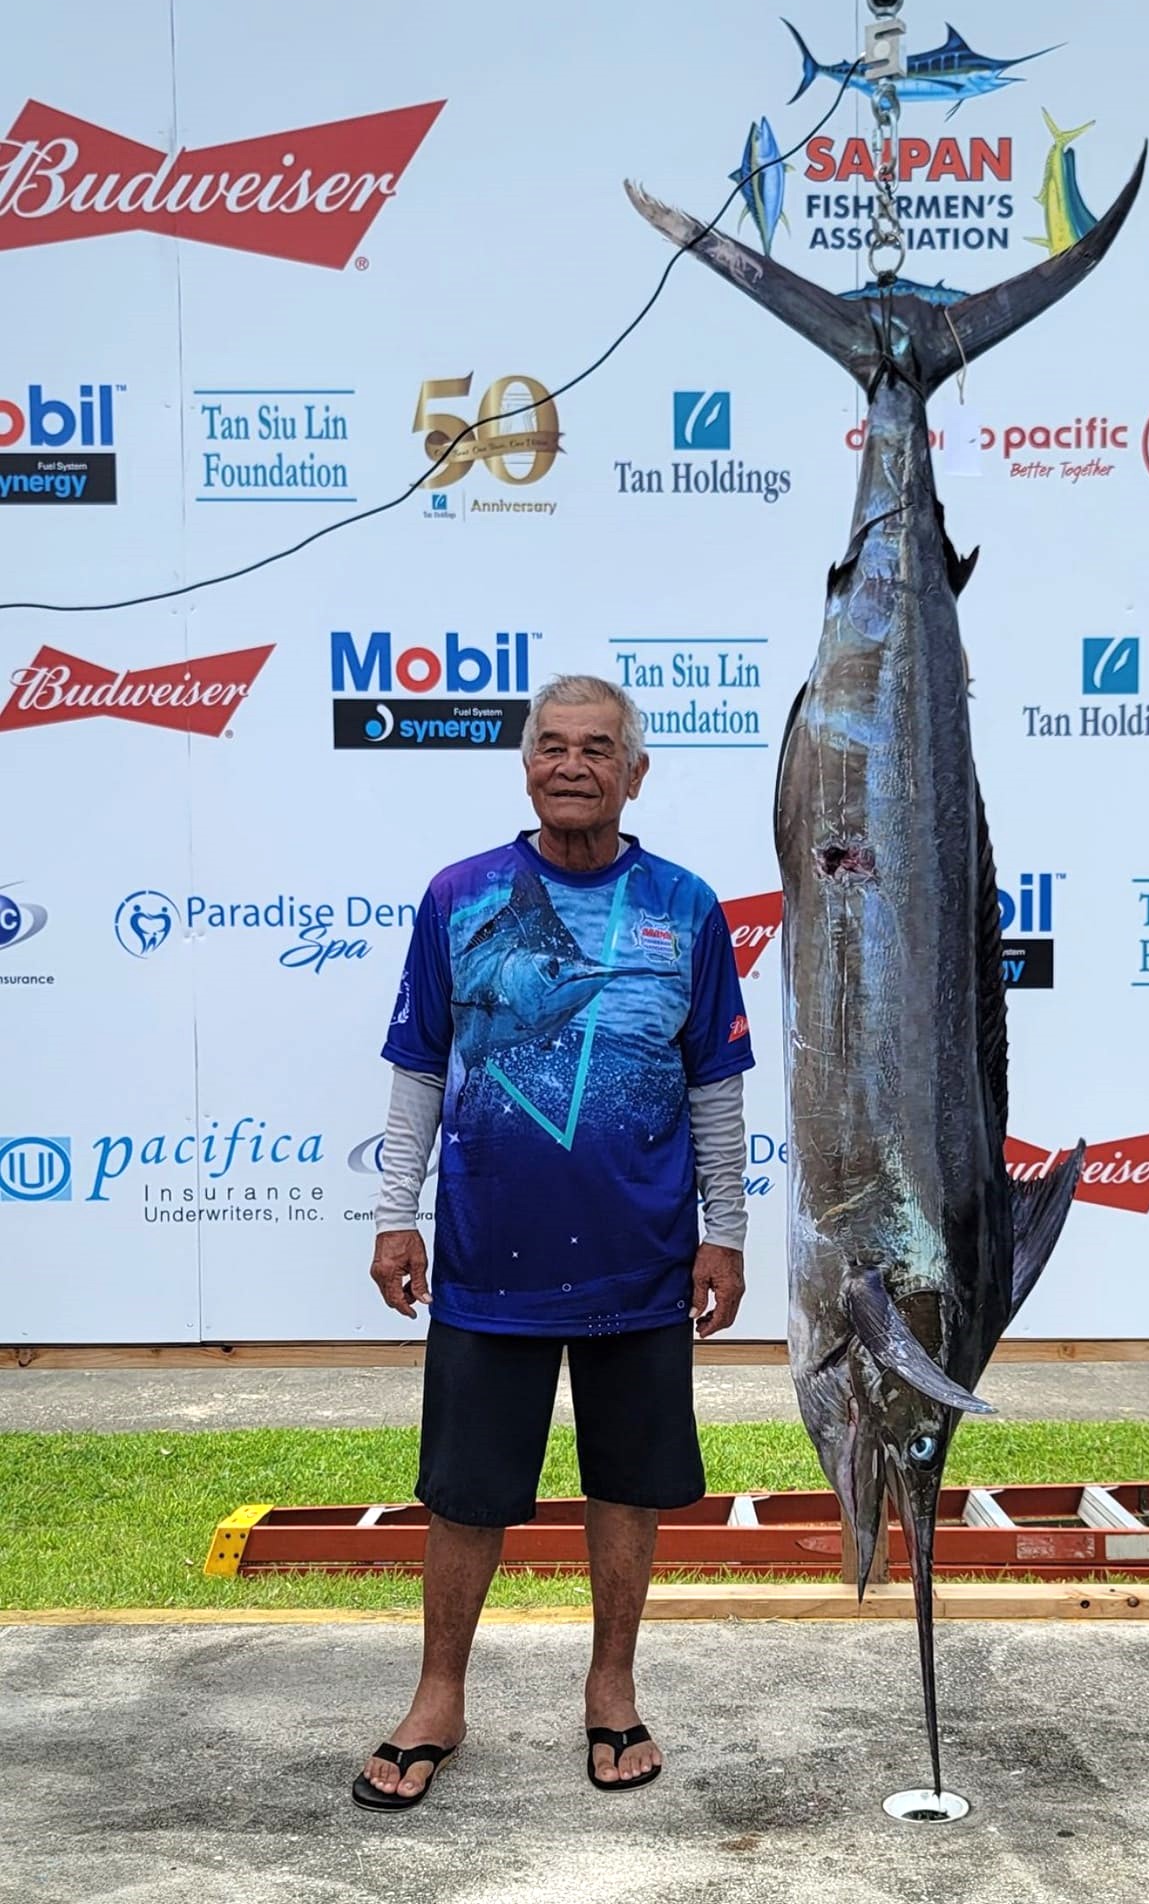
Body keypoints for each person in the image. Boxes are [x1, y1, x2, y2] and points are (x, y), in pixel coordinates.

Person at [352, 674, 754, 1809]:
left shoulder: (685, 904)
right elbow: (419, 1066)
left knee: (627, 1487)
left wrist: (724, 1231)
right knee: (465, 1495)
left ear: (636, 772)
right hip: (491, 1256)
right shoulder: (460, 895)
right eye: (552, 746)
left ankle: (611, 1688)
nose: (572, 764)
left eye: (597, 747)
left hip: (643, 1255)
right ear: (525, 764)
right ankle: (437, 1697)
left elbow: (715, 1085)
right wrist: (393, 1211)